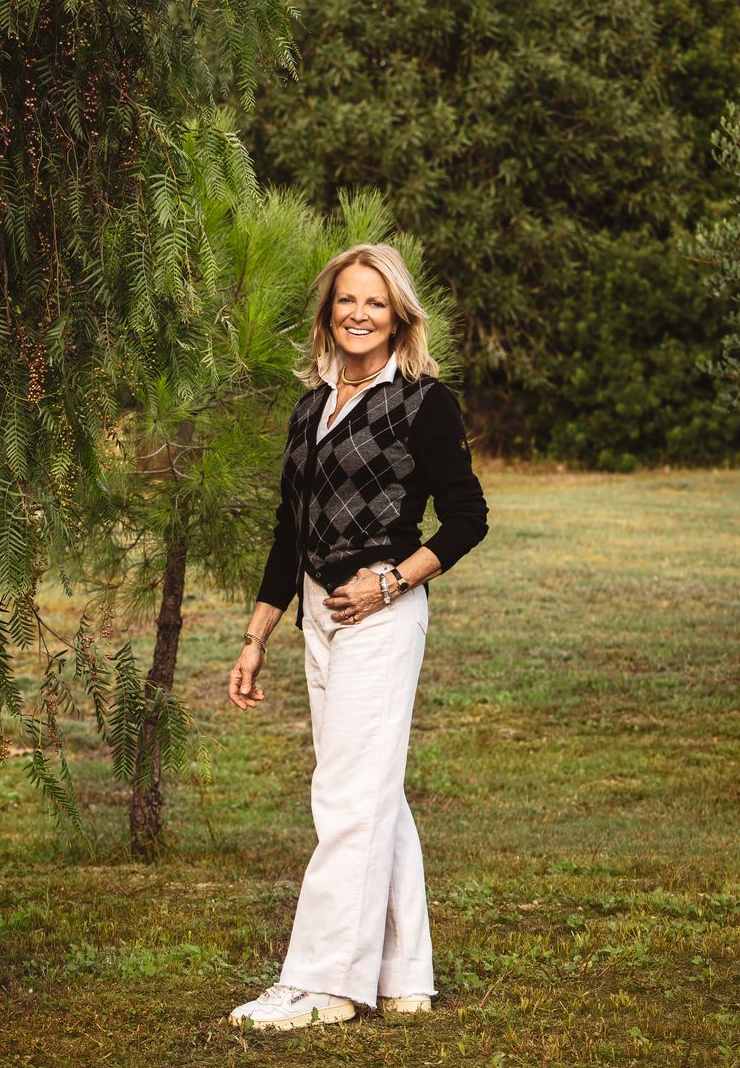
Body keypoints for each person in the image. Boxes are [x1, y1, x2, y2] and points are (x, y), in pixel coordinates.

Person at [226, 242, 489, 1032]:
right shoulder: (312, 405)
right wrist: (258, 633)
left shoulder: (422, 401)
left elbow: (468, 518)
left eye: (375, 302)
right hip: (316, 614)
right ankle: (405, 975)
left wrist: (391, 581)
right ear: (328, 311)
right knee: (373, 790)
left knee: (345, 793)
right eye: (346, 300)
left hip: (381, 611)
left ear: (399, 314)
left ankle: (325, 983)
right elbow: (289, 527)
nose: (358, 314)